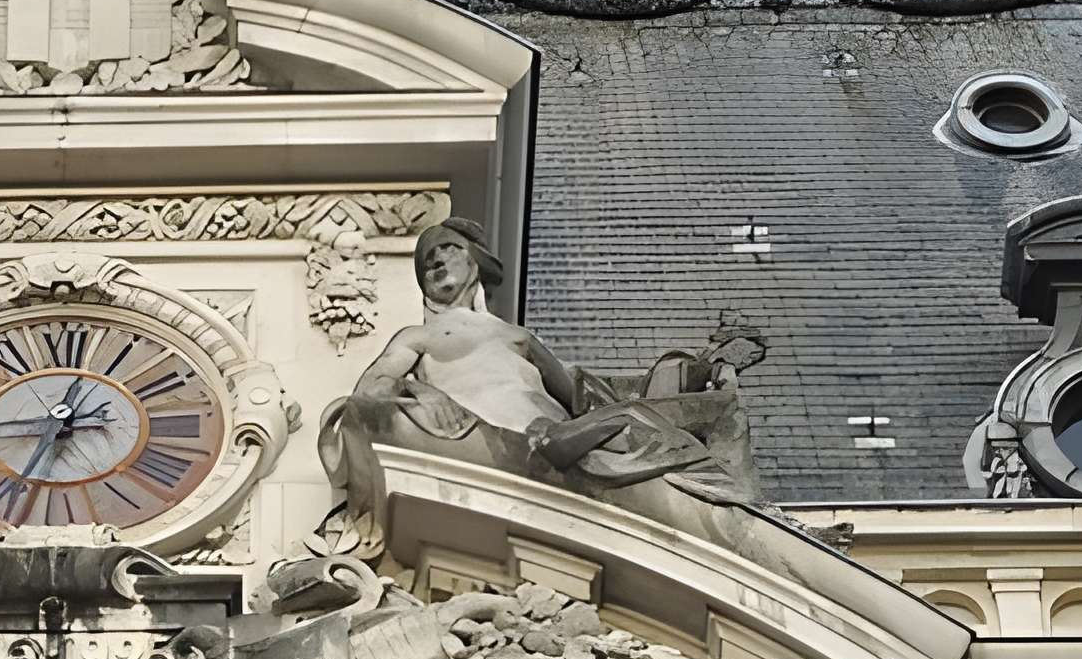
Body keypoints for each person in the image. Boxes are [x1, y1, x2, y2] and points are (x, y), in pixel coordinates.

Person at [319, 218, 762, 525]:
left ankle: (747, 517)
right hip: (496, 439)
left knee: (707, 415)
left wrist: (687, 380)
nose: (433, 261)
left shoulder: (519, 337)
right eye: (425, 260)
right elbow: (370, 390)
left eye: (446, 249)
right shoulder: (420, 336)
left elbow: (587, 395)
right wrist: (421, 391)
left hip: (558, 436)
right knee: (632, 431)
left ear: (474, 261)